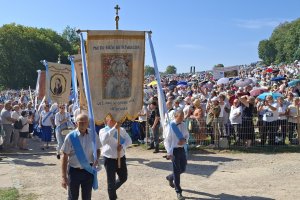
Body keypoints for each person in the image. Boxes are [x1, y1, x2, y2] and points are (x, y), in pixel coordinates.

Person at [61, 114, 101, 200]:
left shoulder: (93, 135)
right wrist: (64, 177)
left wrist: (97, 158)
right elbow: (64, 157)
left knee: (87, 197)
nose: (83, 124)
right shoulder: (70, 137)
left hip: (88, 171)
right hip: (74, 172)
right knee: (72, 197)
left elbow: (98, 149)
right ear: (76, 123)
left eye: (85, 122)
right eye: (80, 122)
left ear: (88, 123)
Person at [99, 115, 132, 200]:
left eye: (115, 119)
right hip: (109, 159)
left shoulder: (122, 130)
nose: (114, 121)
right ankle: (112, 196)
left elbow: (129, 141)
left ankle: (111, 190)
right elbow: (103, 140)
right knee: (111, 181)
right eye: (112, 119)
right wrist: (114, 128)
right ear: (107, 120)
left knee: (123, 177)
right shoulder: (103, 131)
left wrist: (123, 146)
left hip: (121, 157)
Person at [164, 109, 189, 200]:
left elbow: (187, 135)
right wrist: (169, 153)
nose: (182, 118)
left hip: (182, 149)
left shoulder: (183, 124)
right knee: (177, 171)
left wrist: (184, 140)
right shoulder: (171, 126)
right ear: (175, 116)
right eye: (180, 117)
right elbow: (167, 141)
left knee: (183, 168)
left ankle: (170, 177)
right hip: (174, 151)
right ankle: (178, 192)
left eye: (183, 116)